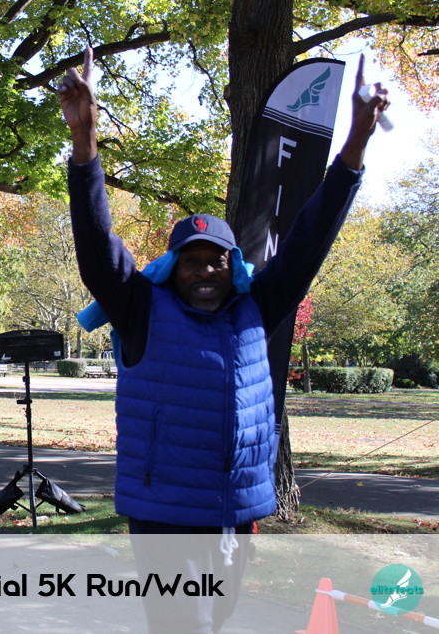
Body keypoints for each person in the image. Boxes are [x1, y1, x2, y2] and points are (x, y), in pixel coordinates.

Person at [60, 48, 388, 633]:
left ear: (233, 267)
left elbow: (309, 239)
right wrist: (85, 144)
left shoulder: (257, 306)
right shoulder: (141, 308)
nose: (205, 271)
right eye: (192, 261)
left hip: (237, 511)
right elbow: (96, 247)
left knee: (215, 619)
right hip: (165, 514)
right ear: (173, 268)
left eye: (217, 261)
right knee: (185, 625)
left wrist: (356, 142)